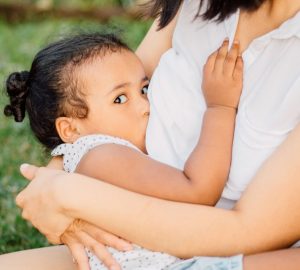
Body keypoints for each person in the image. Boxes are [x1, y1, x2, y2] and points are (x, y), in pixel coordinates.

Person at [1, 0, 300, 269]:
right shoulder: (104, 153)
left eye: (144, 90)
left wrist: (69, 195)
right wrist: (220, 108)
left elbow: (251, 231)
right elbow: (197, 191)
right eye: (121, 99)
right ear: (69, 128)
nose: (146, 104)